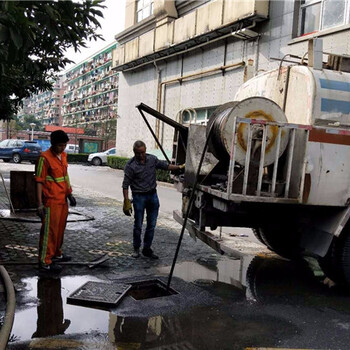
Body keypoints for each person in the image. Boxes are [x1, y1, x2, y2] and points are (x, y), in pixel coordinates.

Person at [122, 140, 184, 259]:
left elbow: (165, 166)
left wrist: (179, 167)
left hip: (152, 196)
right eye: (138, 153)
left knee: (152, 224)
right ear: (134, 152)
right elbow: (125, 185)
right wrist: (126, 201)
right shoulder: (130, 166)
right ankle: (136, 248)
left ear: (145, 150)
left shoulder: (152, 159)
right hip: (139, 197)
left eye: (143, 152)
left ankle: (147, 249)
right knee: (138, 225)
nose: (141, 155)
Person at [35, 130, 76, 273]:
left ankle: (56, 254)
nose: (63, 148)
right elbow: (39, 181)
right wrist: (39, 204)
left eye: (64, 145)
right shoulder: (44, 158)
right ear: (52, 144)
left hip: (62, 200)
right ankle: (44, 261)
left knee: (60, 229)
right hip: (51, 201)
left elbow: (65, 176)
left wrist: (70, 194)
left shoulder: (63, 155)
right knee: (49, 232)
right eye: (60, 145)